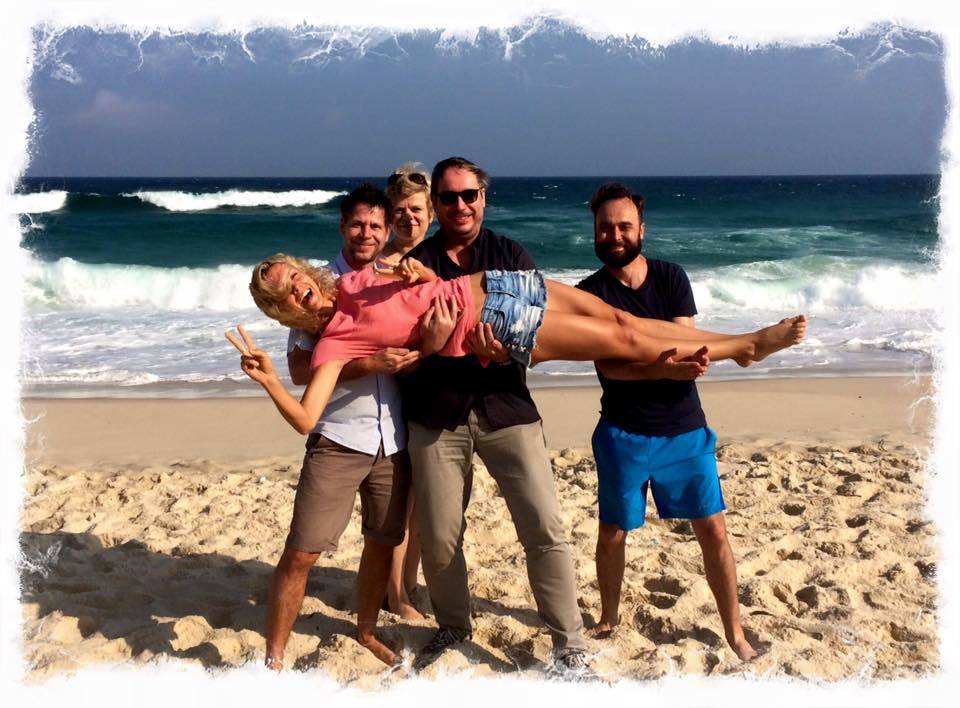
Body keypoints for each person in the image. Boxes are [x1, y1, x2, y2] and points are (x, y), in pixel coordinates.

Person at [229, 159, 806, 673]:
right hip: (477, 351)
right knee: (619, 341)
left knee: (621, 322)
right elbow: (308, 416)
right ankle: (743, 347)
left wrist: (425, 278)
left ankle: (742, 345)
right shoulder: (333, 344)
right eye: (288, 295)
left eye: (297, 278)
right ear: (282, 310)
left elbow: (418, 282)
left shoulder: (366, 274)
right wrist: (271, 379)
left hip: (496, 290)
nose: (301, 291)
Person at [261, 183, 451, 669]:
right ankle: (273, 656)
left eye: (374, 226)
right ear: (342, 227)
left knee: (382, 543)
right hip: (339, 436)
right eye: (356, 225)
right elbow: (301, 371)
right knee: (303, 552)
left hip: (395, 436)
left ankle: (365, 630)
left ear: (386, 231)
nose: (365, 233)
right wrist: (369, 363)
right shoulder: (316, 291)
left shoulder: (397, 273)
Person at [576, 182, 761, 661]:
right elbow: (610, 366)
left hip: (684, 430)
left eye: (624, 226)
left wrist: (665, 360)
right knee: (612, 532)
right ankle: (609, 617)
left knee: (713, 530)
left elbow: (685, 344)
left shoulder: (671, 277)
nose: (614, 235)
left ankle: (736, 633)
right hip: (622, 432)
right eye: (605, 228)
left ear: (642, 229)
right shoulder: (589, 294)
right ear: (594, 232)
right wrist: (659, 367)